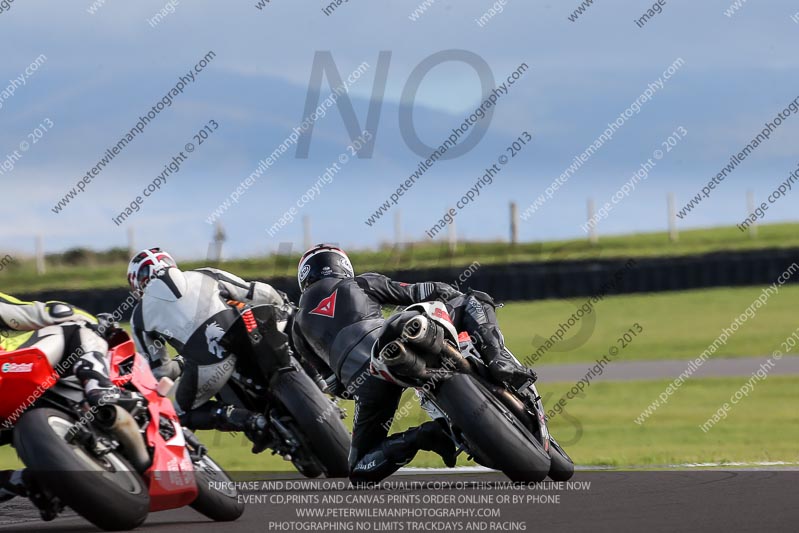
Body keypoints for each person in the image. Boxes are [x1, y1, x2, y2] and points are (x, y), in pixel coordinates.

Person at [291, 244, 536, 483]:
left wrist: (363, 389)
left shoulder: (297, 326)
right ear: (343, 266)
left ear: (304, 277)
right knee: (475, 300)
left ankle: (423, 437)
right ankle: (498, 359)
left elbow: (333, 385)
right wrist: (455, 297)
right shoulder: (359, 282)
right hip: (395, 339)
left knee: (359, 470)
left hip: (367, 384)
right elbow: (422, 291)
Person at [127, 248, 296, 452]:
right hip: (246, 331)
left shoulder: (139, 317)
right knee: (293, 316)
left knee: (180, 413)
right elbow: (256, 291)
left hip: (208, 363)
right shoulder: (204, 273)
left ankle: (250, 420)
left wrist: (181, 362)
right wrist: (283, 303)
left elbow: (161, 372)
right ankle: (319, 375)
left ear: (137, 285)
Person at [0, 294, 128, 503]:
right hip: (12, 367)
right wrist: (94, 322)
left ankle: (22, 480)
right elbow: (49, 312)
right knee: (76, 327)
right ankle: (99, 386)